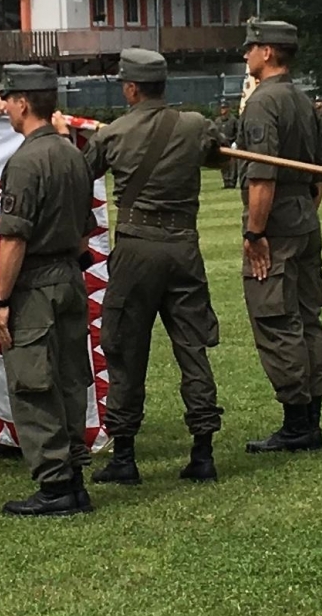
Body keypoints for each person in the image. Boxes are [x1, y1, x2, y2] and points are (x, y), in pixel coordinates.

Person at [76, 49, 226, 485]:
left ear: (130, 89)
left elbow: (79, 177)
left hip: (137, 248)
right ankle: (203, 451)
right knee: (193, 348)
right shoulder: (196, 126)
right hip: (183, 246)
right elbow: (220, 158)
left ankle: (124, 456)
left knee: (125, 348)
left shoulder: (113, 134)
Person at [0, 64, 98, 516]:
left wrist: (1, 300)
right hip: (70, 278)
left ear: (22, 103)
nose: (7, 108)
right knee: (70, 378)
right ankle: (73, 477)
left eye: (9, 100)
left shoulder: (25, 161)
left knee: (34, 384)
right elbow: (85, 230)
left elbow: (14, 239)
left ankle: (55, 484)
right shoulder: (72, 154)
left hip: (35, 284)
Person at [237, 20, 322, 454]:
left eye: (251, 47)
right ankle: (312, 418)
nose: (246, 55)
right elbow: (319, 175)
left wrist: (255, 232)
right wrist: (304, 214)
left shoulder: (263, 102)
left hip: (275, 222)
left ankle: (297, 423)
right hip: (305, 217)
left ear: (268, 52)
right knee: (308, 318)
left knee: (276, 319)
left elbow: (262, 176)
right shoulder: (302, 99)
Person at [215, 101, 239, 189]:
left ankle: (232, 182)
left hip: (231, 144)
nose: (223, 110)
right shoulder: (217, 121)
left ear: (228, 109)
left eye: (224, 108)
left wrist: (236, 142)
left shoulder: (233, 120)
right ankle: (226, 182)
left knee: (232, 165)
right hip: (222, 145)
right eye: (222, 108)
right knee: (224, 165)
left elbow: (238, 132)